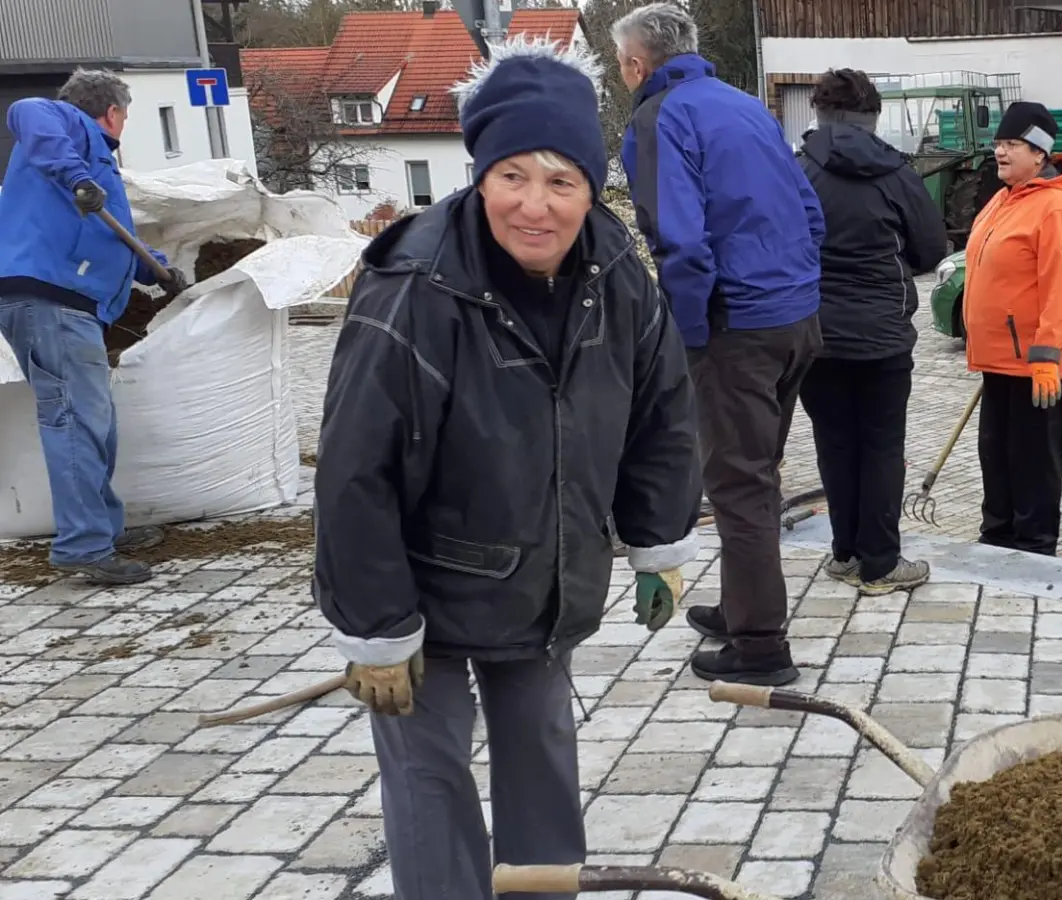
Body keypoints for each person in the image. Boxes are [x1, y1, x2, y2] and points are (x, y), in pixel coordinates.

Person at [312, 36, 701, 900]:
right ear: (479, 174)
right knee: (431, 776)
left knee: (543, 755)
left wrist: (658, 540)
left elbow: (661, 409)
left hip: (540, 573)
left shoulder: (616, 272)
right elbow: (353, 468)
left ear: (592, 189)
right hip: (422, 585)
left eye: (561, 180)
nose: (537, 205)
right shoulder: (416, 287)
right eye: (513, 176)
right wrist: (376, 627)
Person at [615, 2, 825, 686]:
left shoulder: (657, 119)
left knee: (738, 485)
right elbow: (810, 208)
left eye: (621, 64)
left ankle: (760, 647)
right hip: (795, 318)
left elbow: (679, 237)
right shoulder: (744, 105)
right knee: (755, 473)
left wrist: (686, 338)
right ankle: (743, 607)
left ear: (636, 64)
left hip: (735, 326)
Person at [0, 68, 184, 586]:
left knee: (94, 419)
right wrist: (77, 176)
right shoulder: (68, 128)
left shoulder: (91, 167)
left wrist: (157, 267)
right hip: (48, 299)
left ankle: (99, 527)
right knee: (76, 420)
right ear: (112, 113)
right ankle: (83, 545)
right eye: (126, 117)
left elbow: (109, 236)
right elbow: (27, 112)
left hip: (64, 301)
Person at [795, 69, 947, 595]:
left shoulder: (795, 172)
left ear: (816, 112)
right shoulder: (896, 173)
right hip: (882, 334)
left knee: (834, 445)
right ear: (873, 115)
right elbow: (931, 248)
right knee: (881, 447)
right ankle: (880, 563)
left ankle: (844, 554)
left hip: (813, 334)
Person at [961, 101, 1062, 557]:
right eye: (998, 143)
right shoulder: (1002, 198)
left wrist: (1047, 357)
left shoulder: (1055, 208)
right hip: (997, 358)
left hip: (1036, 363)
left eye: (1012, 144)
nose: (1000, 151)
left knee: (1032, 462)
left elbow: (1061, 288)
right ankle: (997, 537)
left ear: (1040, 153)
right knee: (995, 456)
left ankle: (1034, 547)